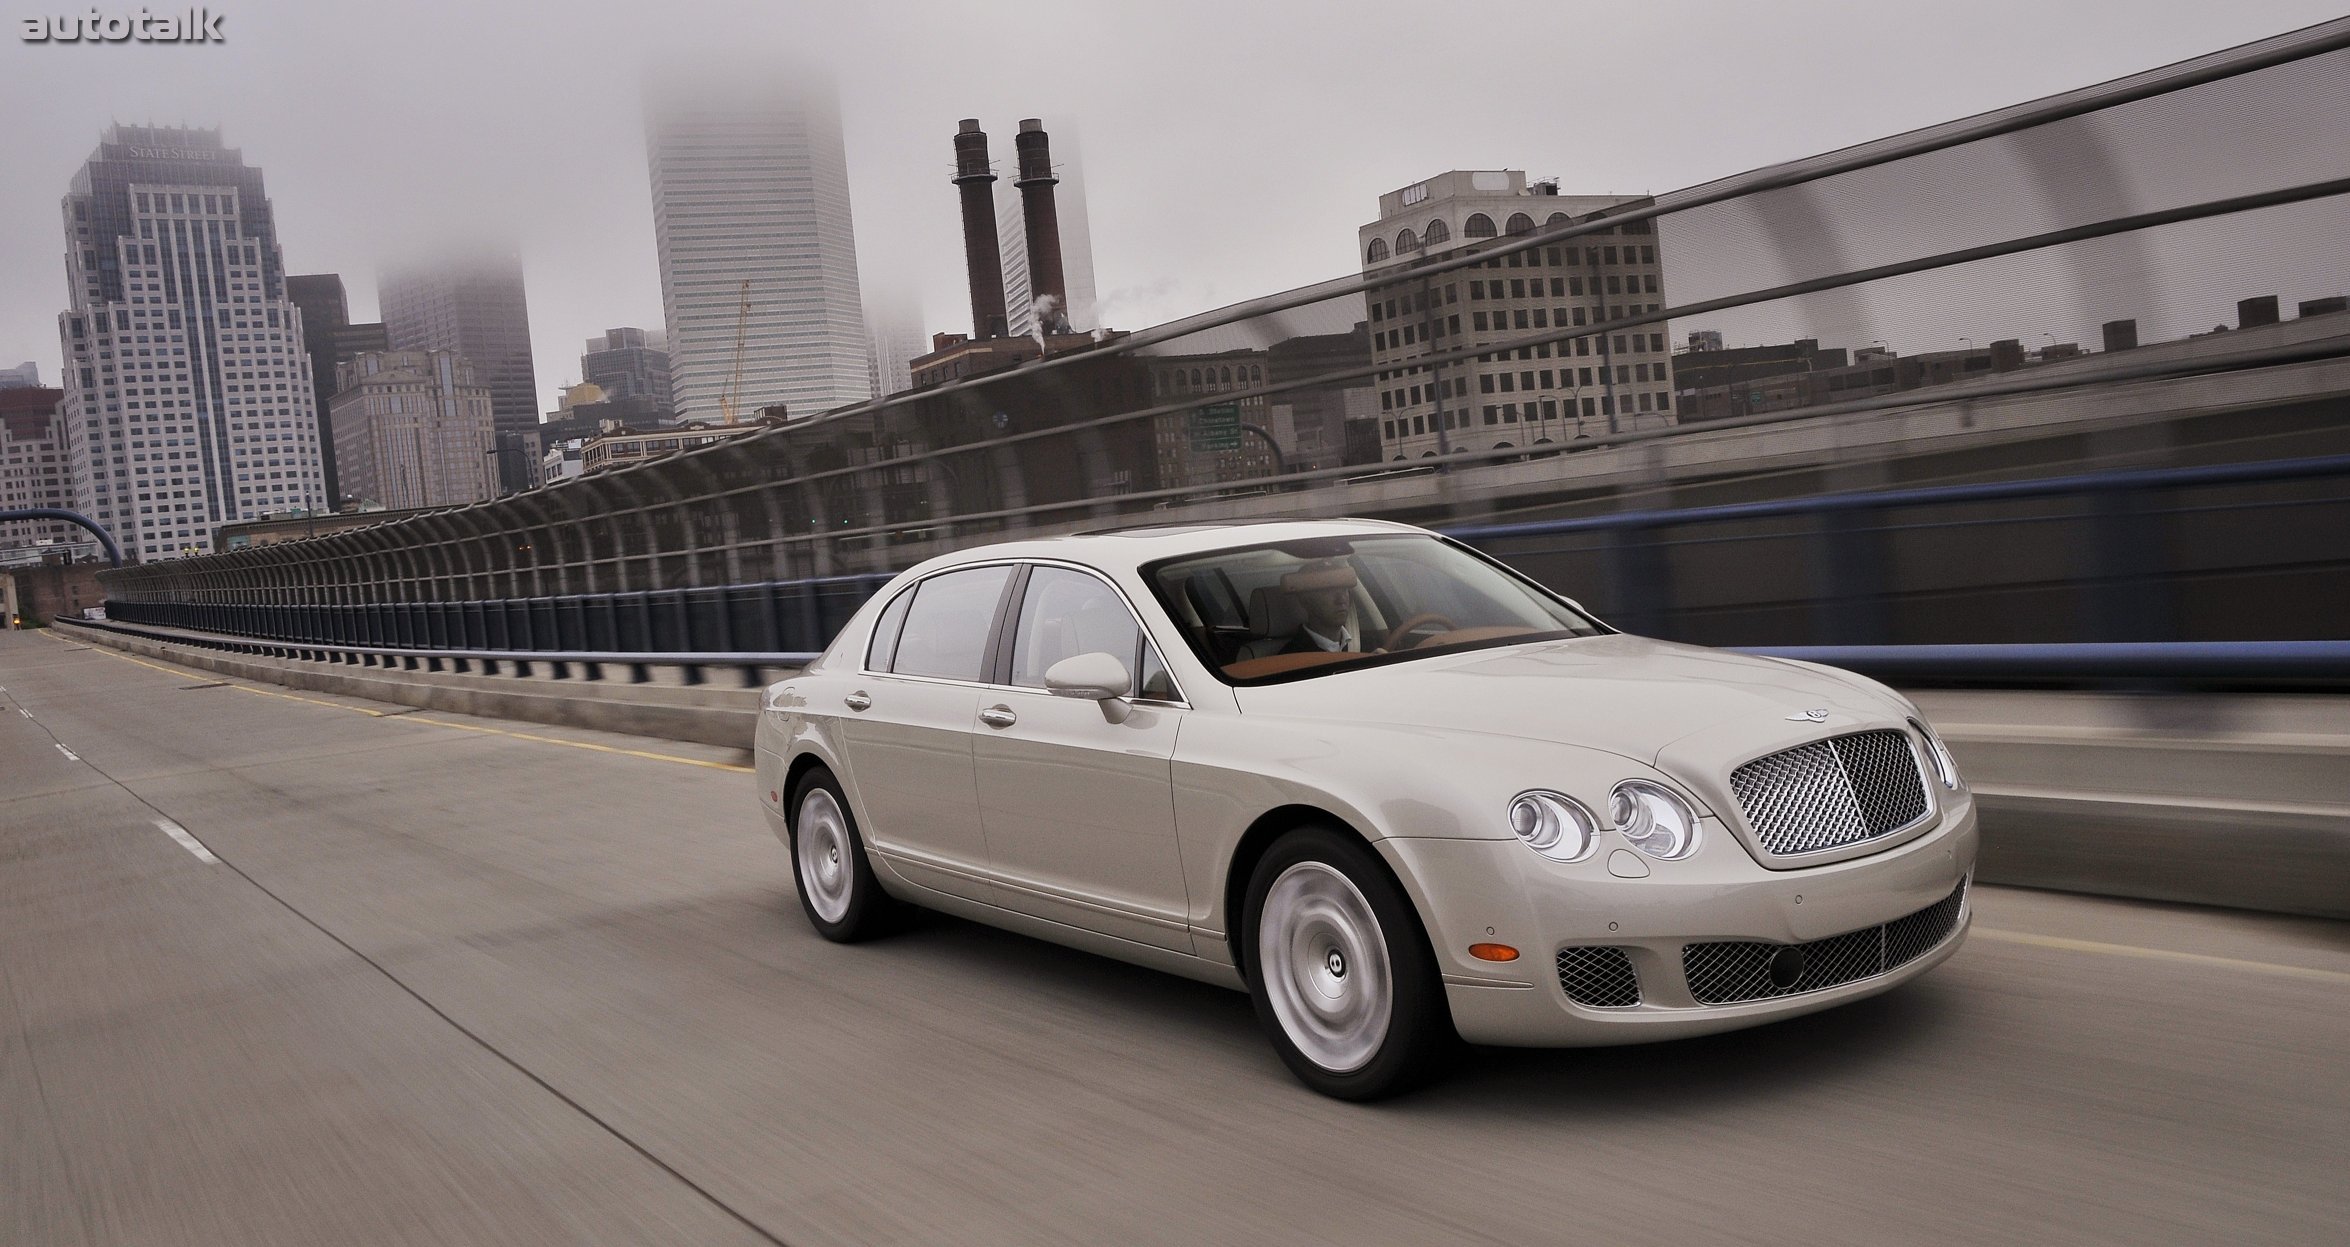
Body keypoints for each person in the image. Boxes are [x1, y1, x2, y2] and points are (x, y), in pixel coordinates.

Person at [1240, 558, 1364, 658]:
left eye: (1344, 589)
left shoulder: (1364, 642)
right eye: (1328, 591)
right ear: (1305, 601)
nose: (1341, 599)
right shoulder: (1291, 658)